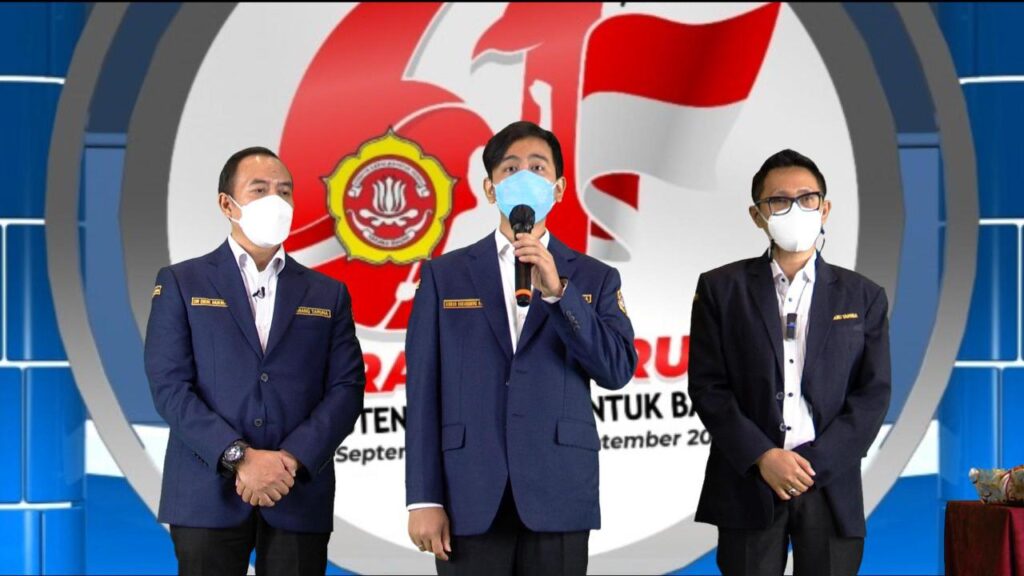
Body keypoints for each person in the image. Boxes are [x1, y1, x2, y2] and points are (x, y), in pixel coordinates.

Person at [404, 121, 637, 575]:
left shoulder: (595, 277)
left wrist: (560, 295)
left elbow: (616, 369)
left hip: (559, 489)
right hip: (468, 493)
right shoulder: (443, 276)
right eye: (510, 169)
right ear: (490, 189)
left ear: (559, 188)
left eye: (537, 167)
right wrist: (423, 497)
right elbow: (424, 392)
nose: (524, 176)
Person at [145, 146, 365, 575]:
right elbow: (169, 387)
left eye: (284, 191)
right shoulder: (182, 283)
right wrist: (240, 457)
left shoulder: (327, 293)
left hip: (296, 491)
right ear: (227, 204)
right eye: (259, 189)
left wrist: (290, 460)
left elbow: (346, 388)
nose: (275, 200)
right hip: (205, 493)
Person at [688, 149, 891, 576]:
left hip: (830, 485)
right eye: (779, 200)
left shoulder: (863, 296)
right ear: (758, 215)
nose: (795, 209)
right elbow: (709, 387)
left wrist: (815, 463)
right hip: (749, 482)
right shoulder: (721, 289)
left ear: (825, 208)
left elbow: (872, 394)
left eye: (807, 198)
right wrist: (763, 456)